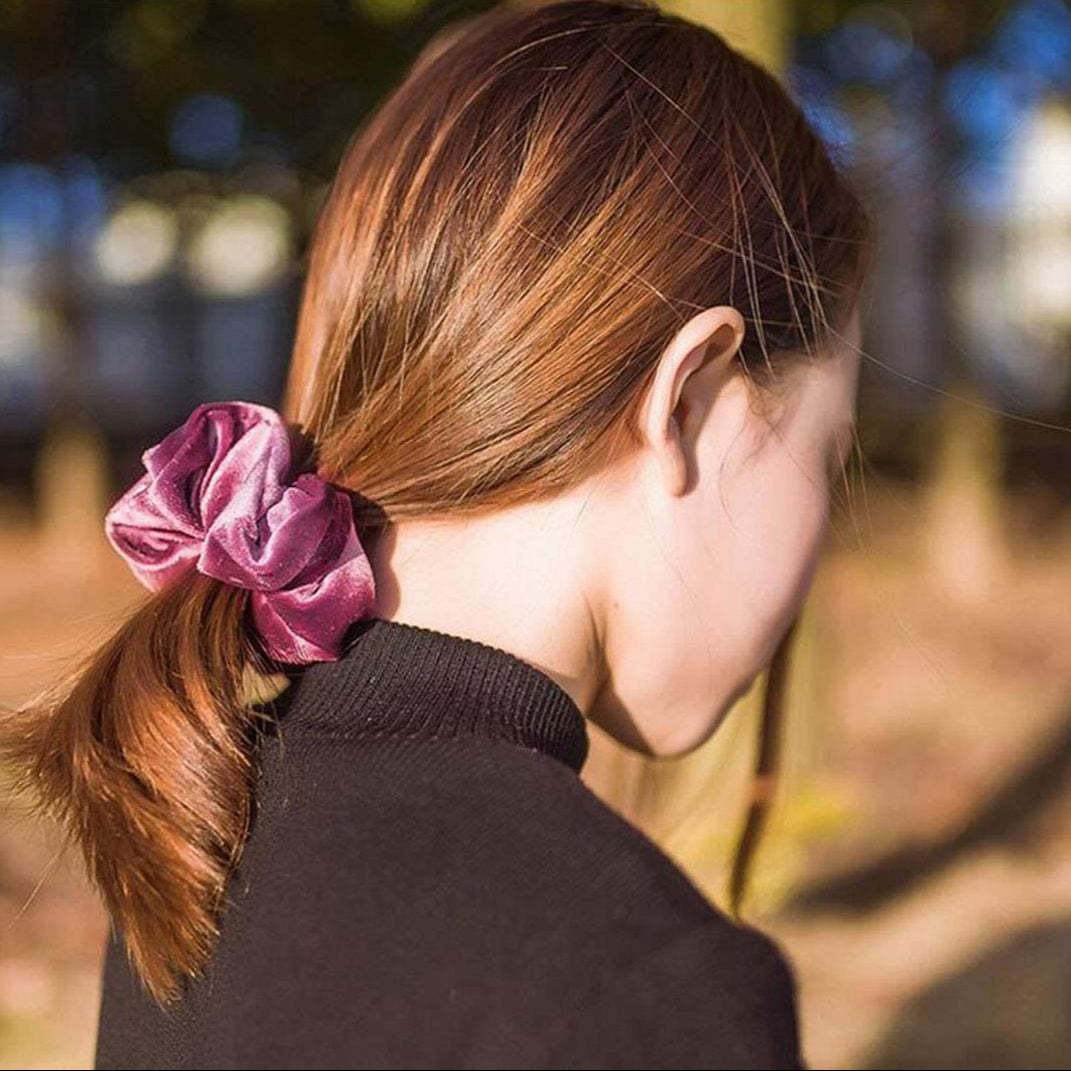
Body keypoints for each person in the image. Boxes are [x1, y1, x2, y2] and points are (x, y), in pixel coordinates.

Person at [1, 1, 873, 1067]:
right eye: (827, 459)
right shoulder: (643, 983)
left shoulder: (200, 829)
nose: (820, 535)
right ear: (688, 399)